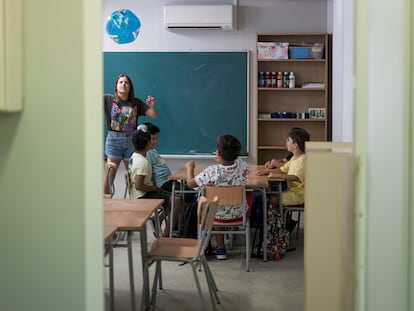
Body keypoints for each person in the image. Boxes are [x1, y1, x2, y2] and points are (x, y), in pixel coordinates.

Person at [185, 134, 249, 260]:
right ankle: (224, 244)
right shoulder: (242, 166)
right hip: (239, 213)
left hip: (215, 215)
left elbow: (190, 184)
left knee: (215, 207)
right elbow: (240, 170)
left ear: (218, 153)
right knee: (223, 205)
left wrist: (189, 168)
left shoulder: (211, 171)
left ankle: (220, 248)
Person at [103, 74, 158, 195]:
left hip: (132, 143)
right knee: (108, 176)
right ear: (116, 86)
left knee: (132, 178)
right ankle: (105, 206)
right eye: (121, 82)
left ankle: (133, 204)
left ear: (130, 87)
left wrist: (152, 106)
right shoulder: (107, 99)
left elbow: (154, 115)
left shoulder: (136, 103)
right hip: (113, 141)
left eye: (126, 82)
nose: (123, 84)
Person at [144, 122, 195, 235]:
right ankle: (172, 225)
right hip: (163, 184)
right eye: (153, 139)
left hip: (168, 181)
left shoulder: (153, 150)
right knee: (191, 196)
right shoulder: (147, 153)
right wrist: (155, 188)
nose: (155, 141)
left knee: (190, 195)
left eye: (157, 138)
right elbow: (148, 173)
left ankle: (164, 219)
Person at [257, 127, 310, 232]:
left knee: (273, 199)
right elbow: (282, 169)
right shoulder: (294, 158)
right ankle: (282, 226)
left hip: (300, 194)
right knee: (271, 197)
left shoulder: (303, 159)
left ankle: (280, 229)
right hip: (292, 192)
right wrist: (265, 172)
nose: (286, 142)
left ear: (295, 145)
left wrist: (278, 176)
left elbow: (295, 177)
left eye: (288, 140)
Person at [128, 124, 172, 236]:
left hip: (141, 193)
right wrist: (155, 188)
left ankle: (165, 229)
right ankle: (166, 235)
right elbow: (139, 185)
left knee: (173, 199)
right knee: (175, 201)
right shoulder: (143, 162)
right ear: (147, 143)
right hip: (142, 195)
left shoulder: (134, 156)